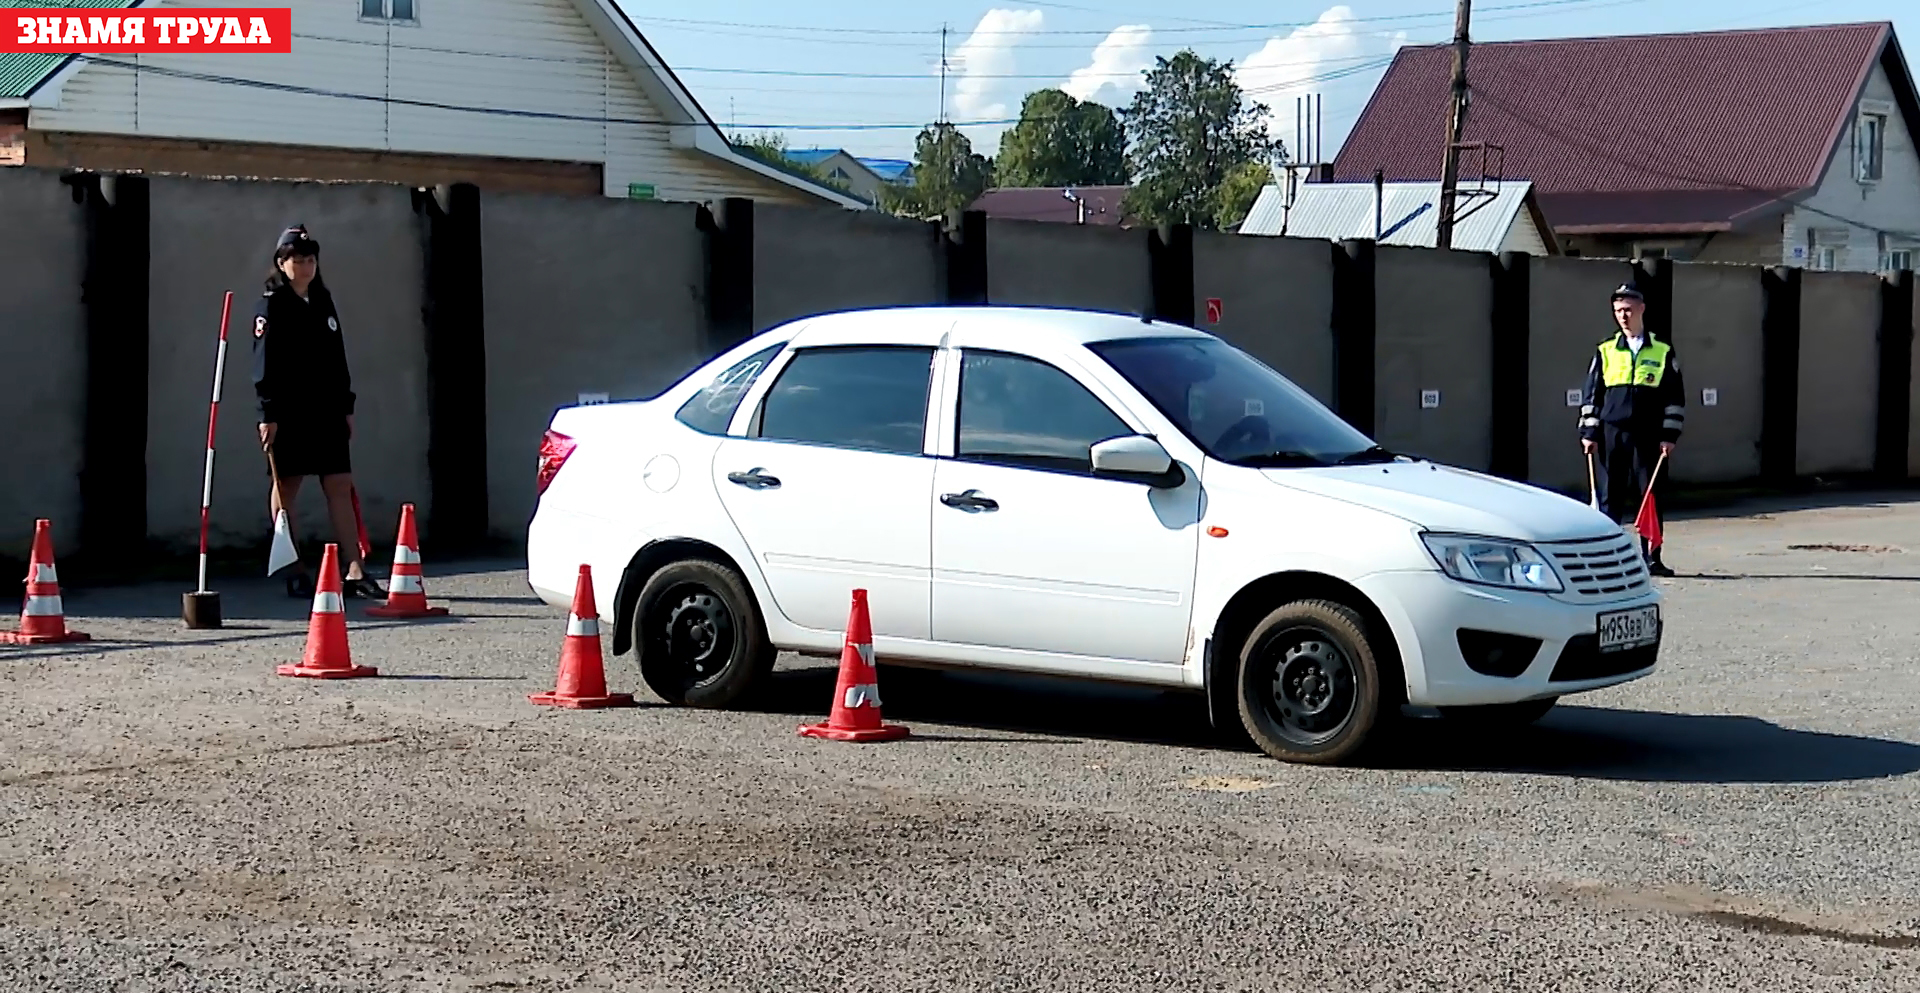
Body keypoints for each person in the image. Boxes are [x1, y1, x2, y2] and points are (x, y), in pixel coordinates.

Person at [253, 224, 382, 599]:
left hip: (326, 410)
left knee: (339, 483)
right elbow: (264, 365)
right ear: (282, 263)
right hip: (289, 411)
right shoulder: (272, 306)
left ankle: (355, 567)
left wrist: (347, 406)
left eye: (310, 259)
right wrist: (268, 413)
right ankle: (291, 564)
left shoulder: (323, 301)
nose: (305, 266)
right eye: (297, 259)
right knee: (287, 485)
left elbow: (337, 358)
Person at [1579, 283, 1684, 577]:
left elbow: (1675, 397)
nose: (1623, 316)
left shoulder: (1662, 350)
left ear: (1641, 309)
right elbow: (1592, 395)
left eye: (1627, 310)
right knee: (1609, 496)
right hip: (1612, 433)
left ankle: (1652, 558)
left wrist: (1669, 435)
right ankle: (1605, 560)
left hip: (1649, 435)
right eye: (1618, 311)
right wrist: (1588, 433)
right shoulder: (1605, 350)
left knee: (1649, 495)